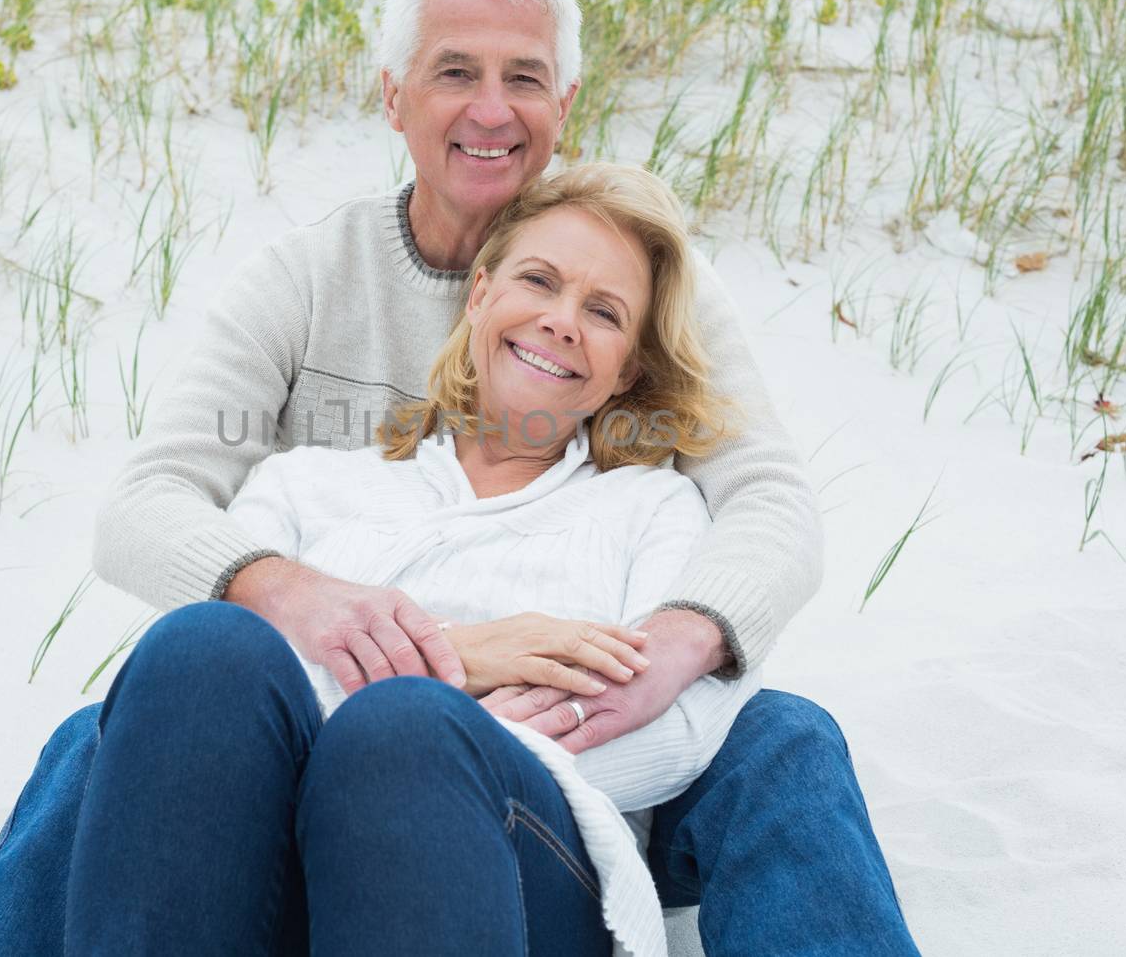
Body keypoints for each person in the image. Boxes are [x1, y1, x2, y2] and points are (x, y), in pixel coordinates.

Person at [0, 0, 919, 957]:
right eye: (454, 72)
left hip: (538, 775)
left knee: (779, 733)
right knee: (145, 708)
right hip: (301, 726)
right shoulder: (307, 297)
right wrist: (330, 607)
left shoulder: (657, 309)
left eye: (523, 76)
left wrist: (679, 641)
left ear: (562, 104)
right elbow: (146, 504)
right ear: (394, 96)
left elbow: (770, 503)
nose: (491, 108)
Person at [62, 163, 756, 955]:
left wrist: (452, 736)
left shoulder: (651, 507)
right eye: (539, 280)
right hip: (260, 869)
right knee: (201, 645)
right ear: (481, 294)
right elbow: (202, 716)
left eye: (603, 311)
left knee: (406, 731)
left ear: (627, 369)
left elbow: (681, 726)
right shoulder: (309, 482)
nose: (564, 321)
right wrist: (461, 657)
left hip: (522, 874)